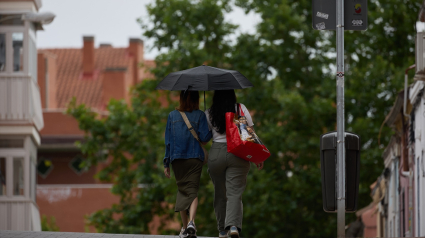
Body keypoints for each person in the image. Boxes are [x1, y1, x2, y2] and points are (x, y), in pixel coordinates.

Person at [205, 90, 264, 238]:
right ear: (232, 95)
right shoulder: (240, 108)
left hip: (216, 153)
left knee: (220, 193)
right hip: (238, 152)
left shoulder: (209, 112)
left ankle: (222, 230)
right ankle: (232, 226)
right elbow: (249, 132)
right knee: (234, 193)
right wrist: (258, 156)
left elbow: (205, 135)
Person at [163, 90, 212, 238]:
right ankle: (191, 222)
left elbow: (168, 142)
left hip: (177, 158)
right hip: (194, 158)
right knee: (192, 190)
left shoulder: (172, 116)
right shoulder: (200, 115)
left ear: (181, 98)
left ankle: (185, 229)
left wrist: (166, 163)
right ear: (197, 99)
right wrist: (207, 122)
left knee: (182, 190)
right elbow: (204, 138)